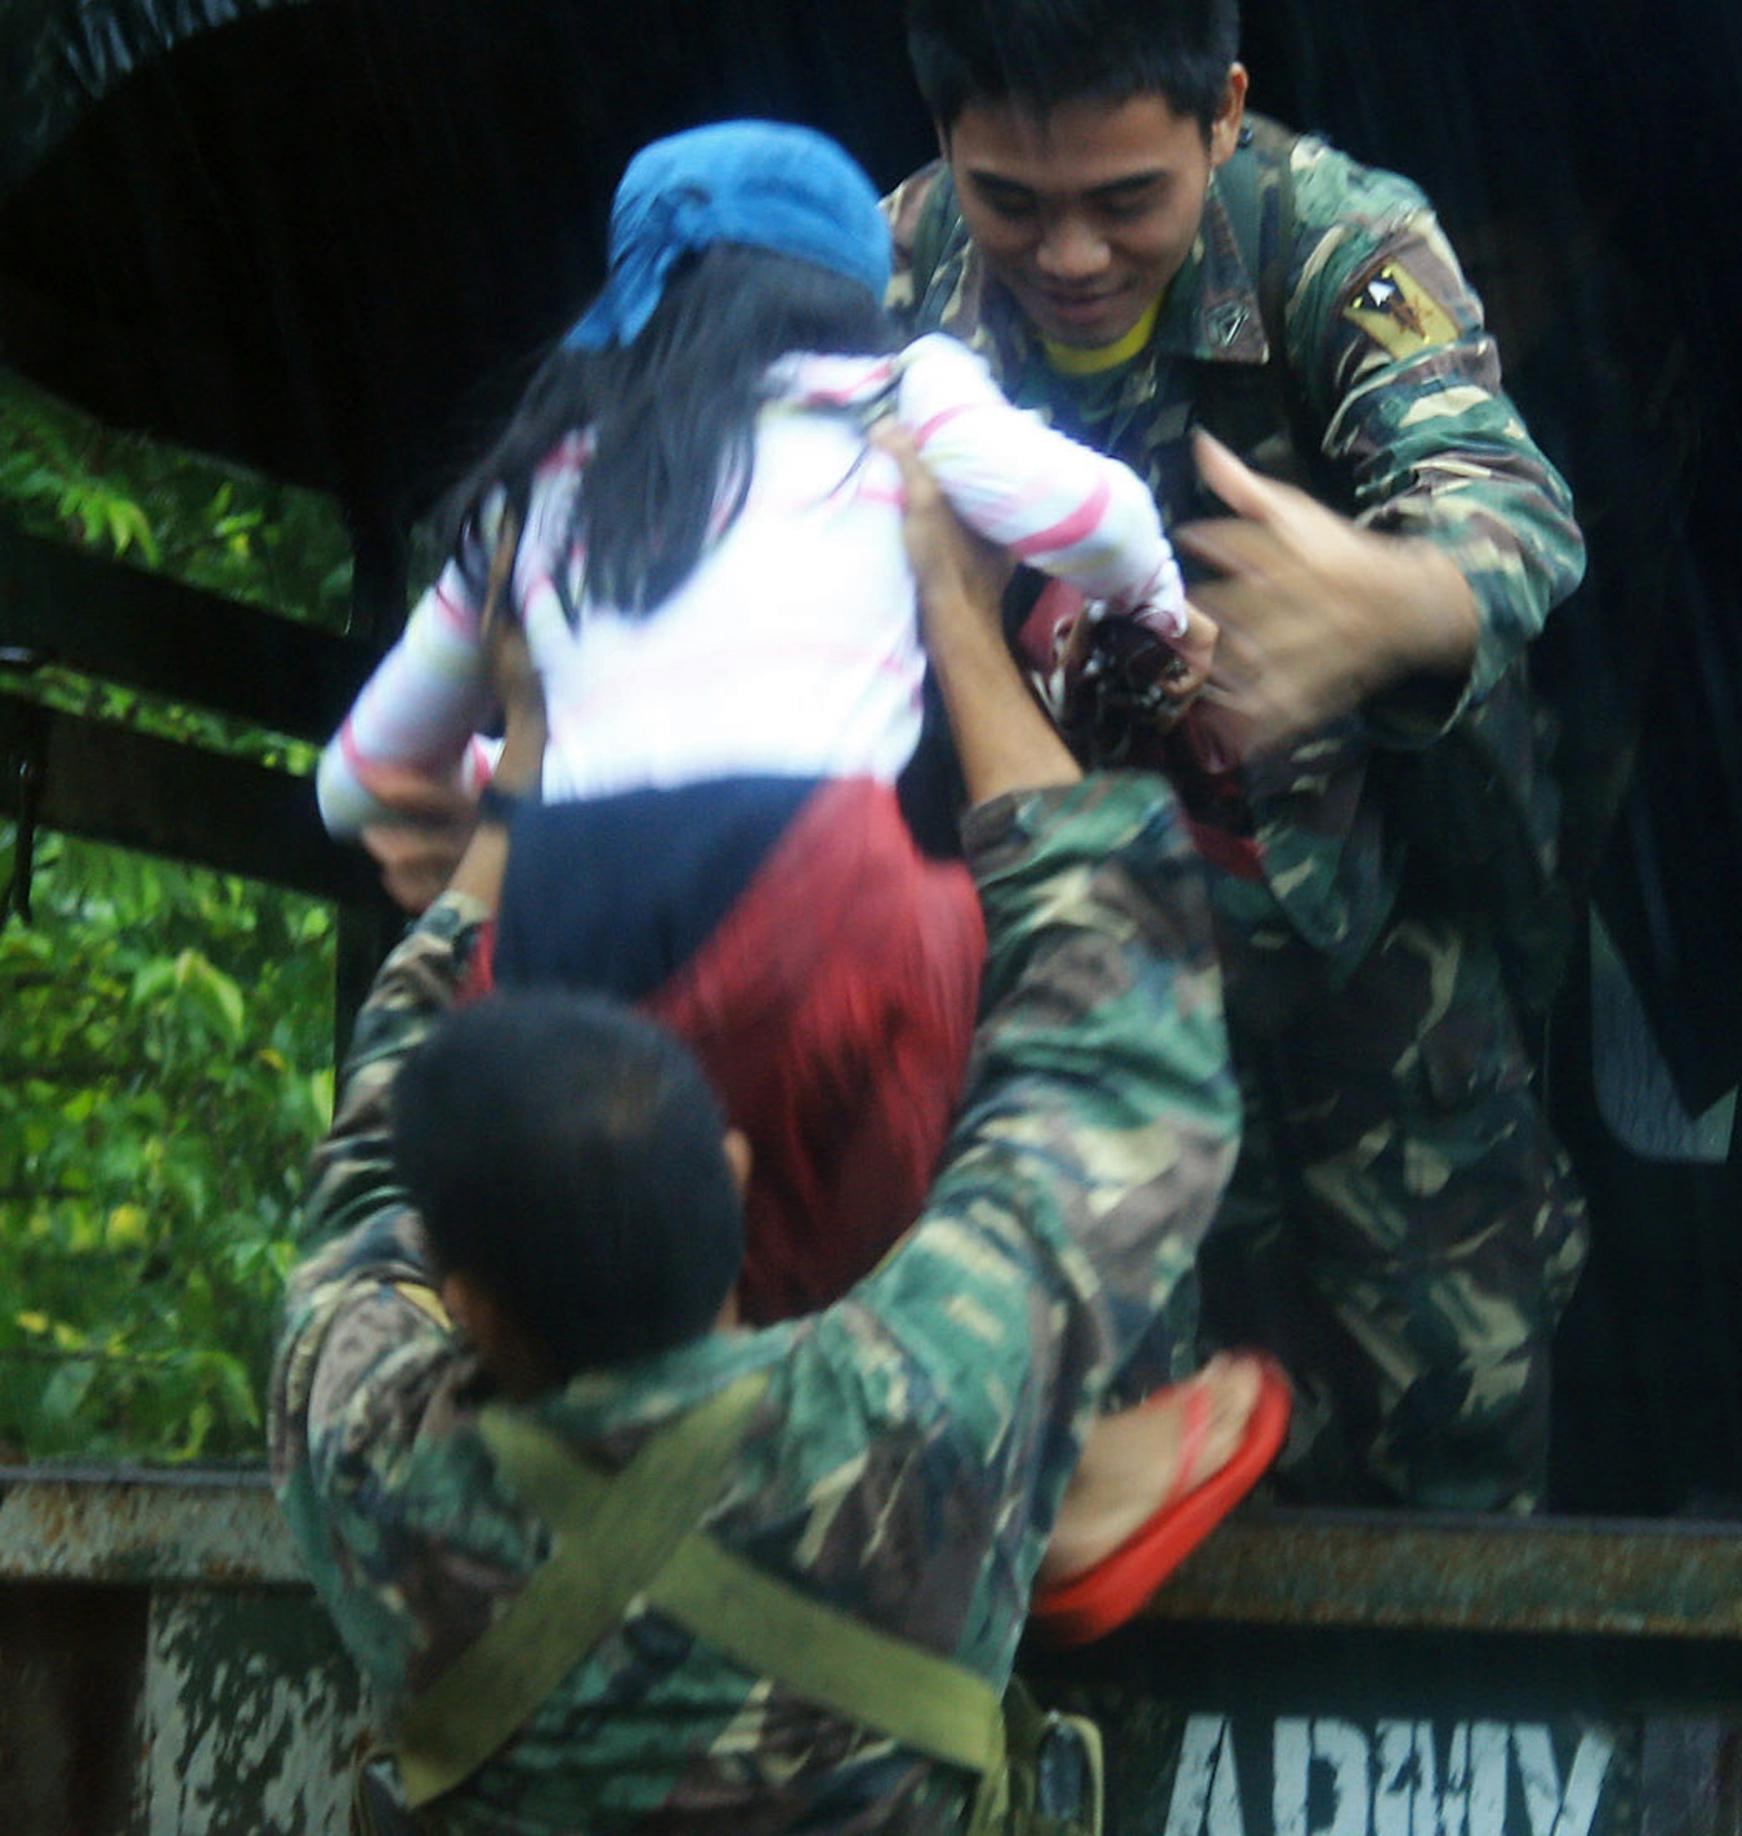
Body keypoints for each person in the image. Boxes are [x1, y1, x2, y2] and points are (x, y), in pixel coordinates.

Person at [272, 450, 1271, 1831]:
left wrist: (524, 767)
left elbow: (369, 1173)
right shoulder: (913, 1411)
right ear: (736, 1189)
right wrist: (955, 617)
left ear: (463, 1301)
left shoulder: (378, 1474)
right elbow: (1112, 1047)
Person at [316, 120, 1207, 1323]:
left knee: (629, 1268)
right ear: (854, 285)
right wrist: (1152, 601)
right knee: (958, 939)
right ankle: (903, 1350)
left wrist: (512, 763)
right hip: (818, 898)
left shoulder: (535, 478)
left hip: (560, 945)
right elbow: (1099, 520)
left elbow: (357, 782)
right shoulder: (899, 388)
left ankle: (652, 1375)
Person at [887, 0, 1592, 1512]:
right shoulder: (885, 289)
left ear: (1222, 115)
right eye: (1012, 202)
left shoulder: (1329, 237)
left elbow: (1507, 508)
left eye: (1126, 201)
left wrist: (1387, 599)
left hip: (1369, 953)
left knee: (1455, 1446)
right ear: (945, 144)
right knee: (1100, 1471)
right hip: (1063, 995)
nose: (1070, 257)